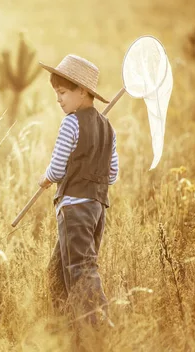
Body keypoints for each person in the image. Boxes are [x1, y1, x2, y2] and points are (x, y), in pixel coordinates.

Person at [37, 54, 119, 327]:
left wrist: (46, 178)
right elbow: (113, 174)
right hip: (96, 209)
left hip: (74, 209)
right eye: (57, 93)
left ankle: (99, 328)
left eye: (62, 93)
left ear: (82, 91)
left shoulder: (70, 123)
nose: (58, 99)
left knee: (82, 270)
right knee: (57, 272)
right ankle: (62, 329)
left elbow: (58, 169)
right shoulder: (108, 128)